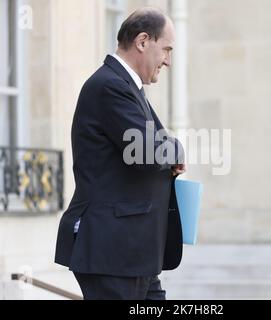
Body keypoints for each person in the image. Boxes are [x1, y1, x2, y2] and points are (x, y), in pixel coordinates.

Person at [54, 7, 186, 300]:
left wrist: (170, 148)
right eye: (166, 49)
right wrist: (177, 149)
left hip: (133, 253)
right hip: (113, 253)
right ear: (142, 42)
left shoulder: (126, 85)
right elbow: (149, 151)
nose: (168, 60)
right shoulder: (110, 86)